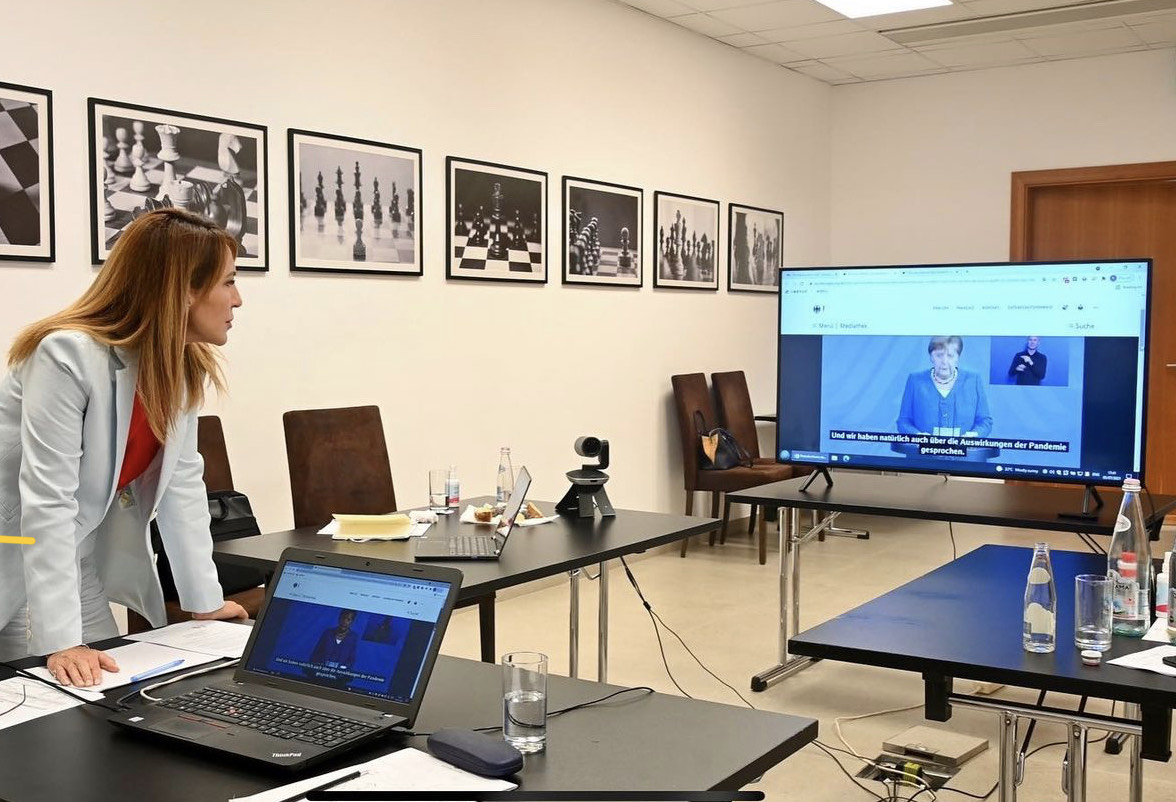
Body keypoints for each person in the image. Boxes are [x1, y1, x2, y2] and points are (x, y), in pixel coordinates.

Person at [0, 208, 248, 686]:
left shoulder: (176, 365)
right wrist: (60, 641)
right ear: (183, 290)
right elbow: (47, 500)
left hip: (73, 555)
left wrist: (205, 604)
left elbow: (182, 486)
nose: (237, 300)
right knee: (49, 708)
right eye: (228, 282)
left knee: (110, 688)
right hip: (16, 553)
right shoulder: (66, 354)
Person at [897, 336, 993, 439]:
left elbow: (985, 422)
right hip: (923, 453)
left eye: (950, 356)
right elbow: (903, 422)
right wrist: (919, 437)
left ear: (957, 358)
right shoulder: (915, 381)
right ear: (931, 357)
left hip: (964, 453)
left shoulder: (973, 380)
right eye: (939, 355)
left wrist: (972, 436)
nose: (944, 361)